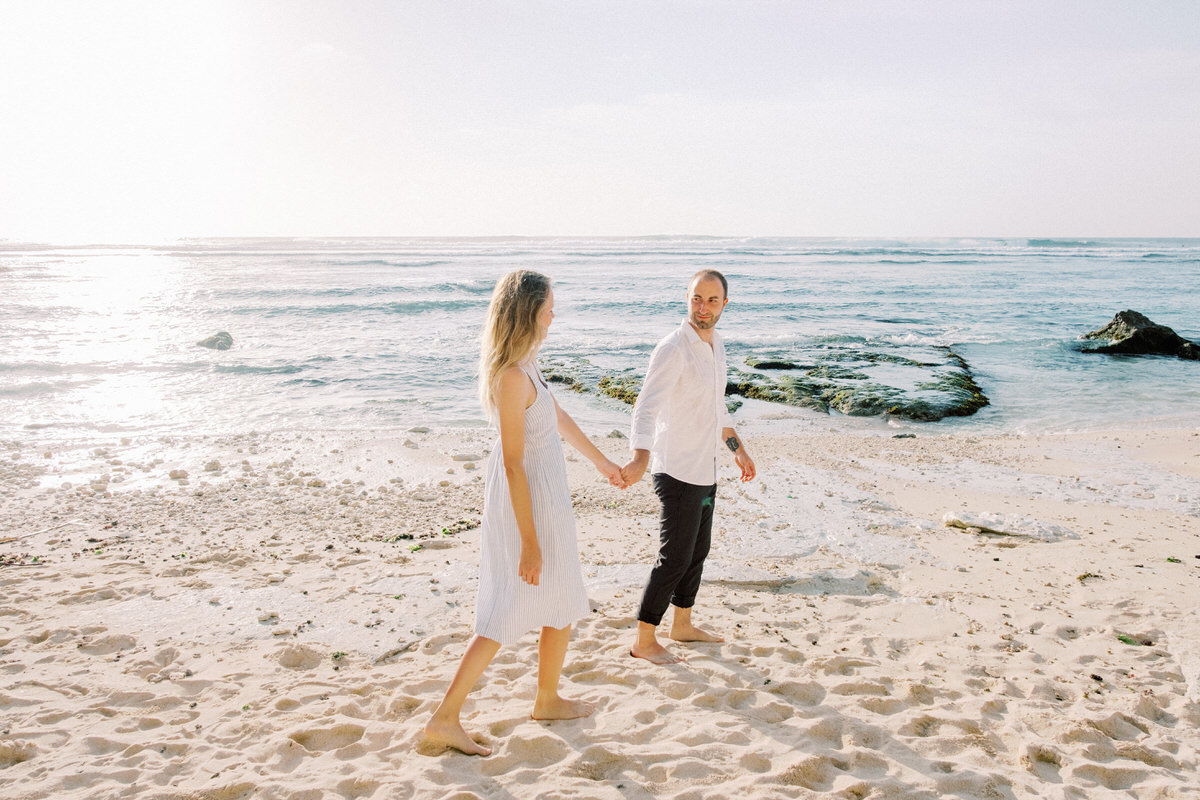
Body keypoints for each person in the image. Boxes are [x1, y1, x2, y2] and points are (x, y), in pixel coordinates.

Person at [423, 270, 626, 756]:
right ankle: (444, 719)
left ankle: (548, 698)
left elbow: (556, 418)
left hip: (549, 498)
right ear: (528, 311)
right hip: (525, 504)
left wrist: (602, 463)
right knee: (503, 611)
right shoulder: (511, 378)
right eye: (549, 306)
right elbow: (513, 465)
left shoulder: (529, 365)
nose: (555, 313)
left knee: (563, 597)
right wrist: (530, 542)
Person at [621, 270, 756, 665]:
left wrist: (737, 449)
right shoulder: (674, 348)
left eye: (712, 300)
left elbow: (717, 406)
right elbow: (645, 406)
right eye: (697, 298)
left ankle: (682, 625)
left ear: (724, 305)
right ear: (687, 298)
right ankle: (644, 640)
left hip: (706, 466)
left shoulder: (717, 345)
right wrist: (641, 457)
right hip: (676, 468)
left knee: (698, 551)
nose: (703, 308)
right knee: (674, 557)